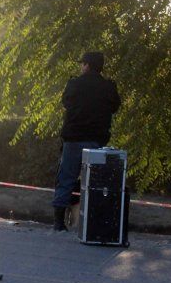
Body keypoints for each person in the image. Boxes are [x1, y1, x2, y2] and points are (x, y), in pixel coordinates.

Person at [52, 51, 121, 231]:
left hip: (73, 139)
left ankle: (59, 222)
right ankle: (94, 223)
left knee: (66, 177)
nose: (81, 67)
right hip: (96, 142)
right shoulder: (108, 87)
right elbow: (115, 107)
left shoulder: (74, 84)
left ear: (87, 65)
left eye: (82, 64)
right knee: (95, 182)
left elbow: (66, 103)